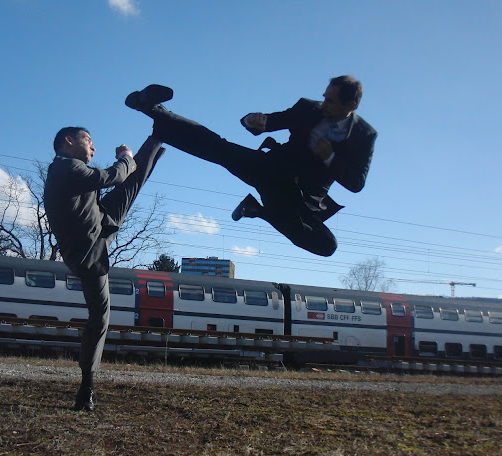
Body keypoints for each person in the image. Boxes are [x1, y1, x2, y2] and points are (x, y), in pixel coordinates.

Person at [125, 77, 377, 257]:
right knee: (220, 149)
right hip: (271, 169)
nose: (324, 105)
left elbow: (356, 183)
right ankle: (153, 109)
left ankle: (258, 210)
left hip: (300, 199)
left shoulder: (364, 136)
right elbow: (272, 121)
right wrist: (254, 121)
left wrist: (330, 157)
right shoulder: (308, 108)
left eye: (331, 102)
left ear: (351, 106)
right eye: (324, 97)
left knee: (328, 246)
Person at [44, 124, 167, 411]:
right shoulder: (65, 168)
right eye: (88, 140)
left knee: (133, 184)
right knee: (100, 317)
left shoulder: (68, 167)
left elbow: (122, 180)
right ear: (68, 141)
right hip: (88, 253)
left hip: (101, 221)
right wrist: (125, 156)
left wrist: (132, 163)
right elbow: (112, 176)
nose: (93, 147)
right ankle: (86, 386)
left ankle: (160, 134)